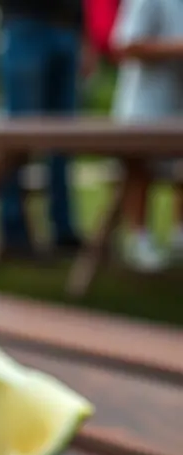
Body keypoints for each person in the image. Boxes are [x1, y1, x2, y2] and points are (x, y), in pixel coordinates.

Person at [0, 2, 93, 258]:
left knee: (63, 140)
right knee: (19, 137)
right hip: (24, 23)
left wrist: (84, 37)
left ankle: (63, 230)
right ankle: (13, 233)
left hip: (67, 30)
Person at [112, 0, 183, 271]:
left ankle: (179, 236)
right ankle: (138, 238)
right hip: (144, 104)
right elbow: (125, 44)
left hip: (177, 103)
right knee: (140, 168)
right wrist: (178, 48)